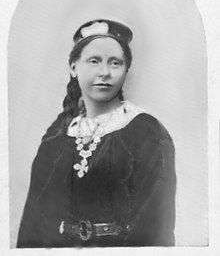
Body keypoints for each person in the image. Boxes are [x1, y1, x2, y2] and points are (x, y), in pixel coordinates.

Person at [17, 19, 176, 248]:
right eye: (94, 61)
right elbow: (33, 222)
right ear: (73, 68)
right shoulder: (58, 135)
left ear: (125, 70)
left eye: (115, 63)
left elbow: (155, 228)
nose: (105, 72)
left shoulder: (146, 132)